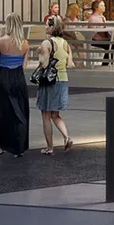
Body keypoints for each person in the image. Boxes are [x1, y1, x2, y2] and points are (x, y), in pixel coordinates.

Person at [35, 21, 77, 153]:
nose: (45, 27)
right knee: (55, 114)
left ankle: (49, 147)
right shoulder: (66, 44)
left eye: (48, 24)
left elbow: (44, 64)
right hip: (63, 80)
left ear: (53, 27)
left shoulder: (46, 43)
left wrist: (40, 54)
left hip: (50, 82)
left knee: (46, 115)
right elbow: (70, 64)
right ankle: (66, 137)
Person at [0, 27, 30, 156]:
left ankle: (2, 144)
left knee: (4, 112)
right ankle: (19, 147)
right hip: (19, 78)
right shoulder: (25, 43)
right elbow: (24, 66)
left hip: (4, 78)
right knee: (21, 112)